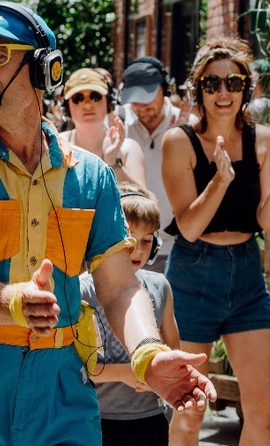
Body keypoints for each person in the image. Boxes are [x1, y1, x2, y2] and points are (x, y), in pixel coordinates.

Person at [0, 1, 216, 445]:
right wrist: (15, 300)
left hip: (60, 394)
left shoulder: (92, 176)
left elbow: (121, 288)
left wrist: (148, 354)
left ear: (43, 69)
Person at [162, 36, 270, 446]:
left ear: (246, 90)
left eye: (233, 84)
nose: (223, 93)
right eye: (212, 84)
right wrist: (220, 180)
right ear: (197, 89)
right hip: (192, 275)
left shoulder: (265, 140)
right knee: (188, 411)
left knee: (262, 411)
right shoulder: (178, 142)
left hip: (246, 275)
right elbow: (188, 227)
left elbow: (268, 222)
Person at [80, 182, 178, 446]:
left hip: (151, 416)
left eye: (147, 240)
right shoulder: (83, 290)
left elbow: (172, 346)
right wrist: (127, 372)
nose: (138, 248)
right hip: (99, 419)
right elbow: (78, 367)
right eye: (130, 237)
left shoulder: (160, 286)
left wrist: (162, 373)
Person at [119, 56, 192, 272]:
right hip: (128, 250)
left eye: (148, 97)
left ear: (165, 90)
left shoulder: (189, 125)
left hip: (179, 250)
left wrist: (184, 139)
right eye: (134, 99)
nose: (141, 106)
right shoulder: (117, 125)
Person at [60, 68, 146, 188]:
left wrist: (113, 162)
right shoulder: (56, 145)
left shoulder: (128, 148)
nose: (88, 105)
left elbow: (142, 201)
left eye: (95, 97)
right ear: (67, 108)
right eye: (78, 98)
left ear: (108, 103)